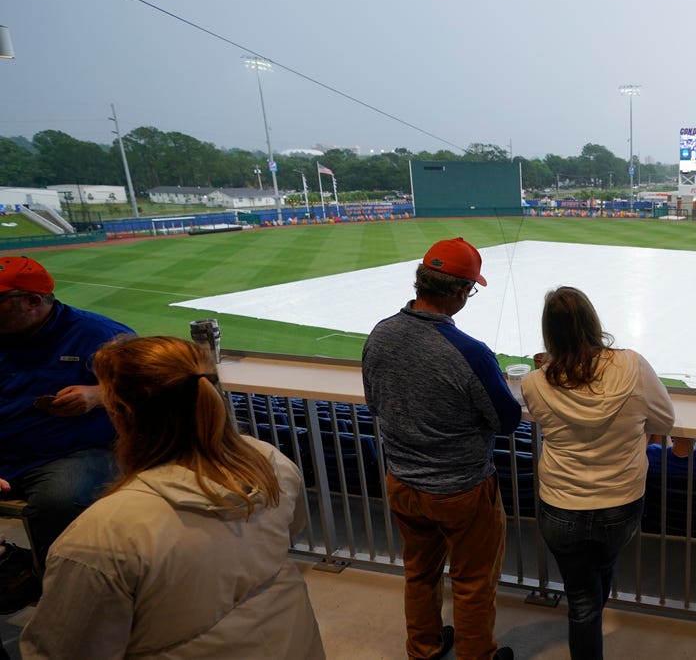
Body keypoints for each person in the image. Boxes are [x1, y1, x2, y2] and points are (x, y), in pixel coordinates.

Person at [19, 336, 323, 658]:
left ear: (121, 413)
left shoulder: (100, 536)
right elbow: (287, 534)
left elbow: (62, 651)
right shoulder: (269, 460)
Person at [362, 237, 521, 660]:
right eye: (469, 290)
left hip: (402, 481)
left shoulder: (380, 335)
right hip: (462, 490)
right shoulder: (470, 353)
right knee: (472, 585)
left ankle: (424, 649)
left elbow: (375, 404)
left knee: (419, 574)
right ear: (457, 292)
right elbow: (506, 421)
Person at [521, 286, 675, 660]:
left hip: (560, 507)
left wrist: (547, 367)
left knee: (582, 599)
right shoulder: (632, 366)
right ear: (592, 323)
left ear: (550, 334)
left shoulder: (533, 383)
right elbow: (664, 419)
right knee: (596, 582)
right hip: (620, 504)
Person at [0, 255, 133, 612]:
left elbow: (156, 385)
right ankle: (9, 567)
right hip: (8, 451)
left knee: (61, 500)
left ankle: (66, 596)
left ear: (32, 302)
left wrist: (99, 394)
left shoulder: (99, 334)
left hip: (76, 451)